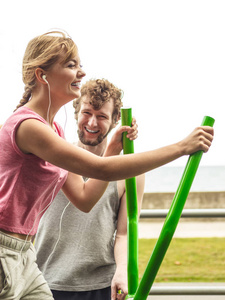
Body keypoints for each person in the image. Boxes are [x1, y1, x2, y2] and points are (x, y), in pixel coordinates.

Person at [0, 30, 214, 300]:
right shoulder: (29, 127)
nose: (81, 72)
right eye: (71, 65)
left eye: (79, 64)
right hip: (4, 253)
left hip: (24, 257)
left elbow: (84, 197)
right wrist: (182, 147)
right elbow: (99, 170)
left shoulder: (52, 130)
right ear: (42, 75)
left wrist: (112, 150)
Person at [35, 78, 145, 300]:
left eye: (102, 116)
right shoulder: (54, 155)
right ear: (76, 112)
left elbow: (123, 233)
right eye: (87, 112)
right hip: (44, 280)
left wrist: (122, 271)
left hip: (101, 285)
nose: (92, 123)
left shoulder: (130, 172)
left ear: (115, 120)